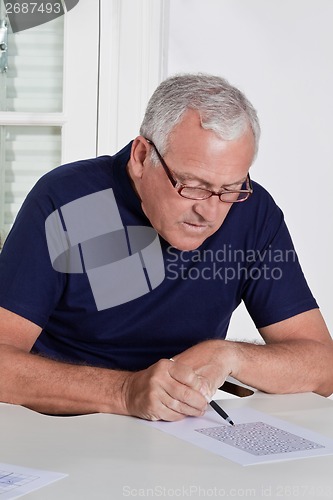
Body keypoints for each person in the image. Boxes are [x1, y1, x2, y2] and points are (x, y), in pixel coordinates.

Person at [0, 74, 332, 421]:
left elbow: (323, 368)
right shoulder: (65, 200)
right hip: (62, 428)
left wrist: (229, 355)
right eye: (192, 185)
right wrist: (125, 391)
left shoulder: (253, 211)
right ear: (142, 157)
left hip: (179, 432)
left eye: (230, 188)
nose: (210, 210)